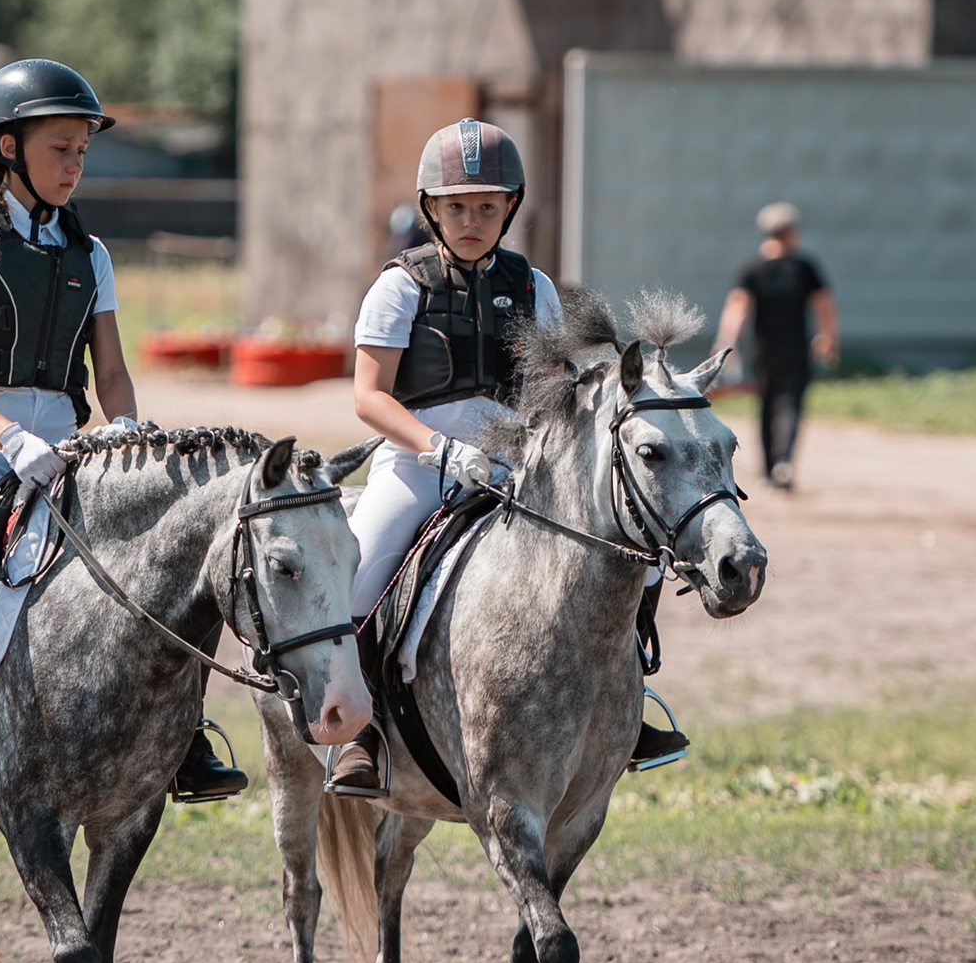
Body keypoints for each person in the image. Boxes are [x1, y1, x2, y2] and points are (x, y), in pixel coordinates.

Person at [0, 58, 249, 816]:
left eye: (82, 151)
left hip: (69, 449)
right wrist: (7, 437)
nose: (74, 165)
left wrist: (126, 432)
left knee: (164, 563)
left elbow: (113, 374)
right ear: (9, 148)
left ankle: (182, 737)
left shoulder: (89, 253)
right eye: (60, 148)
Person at [323, 118, 686, 798]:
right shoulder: (399, 287)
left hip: (516, 464)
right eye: (457, 207)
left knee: (637, 556)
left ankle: (627, 703)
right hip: (418, 464)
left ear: (510, 207)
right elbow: (369, 397)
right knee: (363, 575)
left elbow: (553, 389)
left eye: (487, 207)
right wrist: (439, 448)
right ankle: (361, 735)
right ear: (431, 207)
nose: (472, 221)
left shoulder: (532, 286)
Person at [711, 202, 838, 493]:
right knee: (790, 404)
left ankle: (769, 470)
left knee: (766, 406)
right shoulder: (804, 267)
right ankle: (783, 461)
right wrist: (828, 336)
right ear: (791, 232)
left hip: (763, 351)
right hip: (796, 349)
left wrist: (726, 341)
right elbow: (824, 305)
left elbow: (738, 307)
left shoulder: (752, 268)